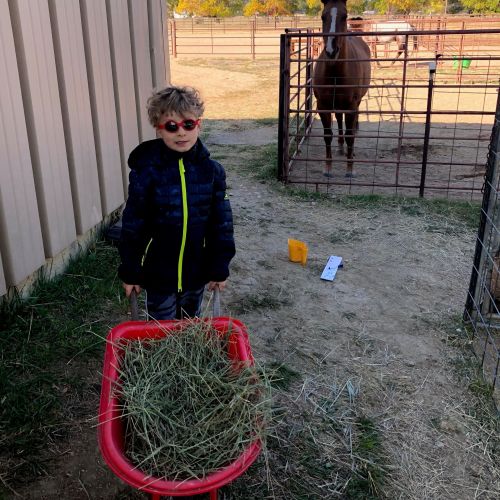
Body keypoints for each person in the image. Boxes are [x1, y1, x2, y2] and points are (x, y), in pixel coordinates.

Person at [118, 85, 235, 320]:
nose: (181, 133)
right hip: (159, 274)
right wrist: (131, 270)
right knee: (161, 330)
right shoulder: (147, 172)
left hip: (196, 271)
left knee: (191, 327)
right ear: (159, 129)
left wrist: (219, 266)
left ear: (198, 124)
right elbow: (133, 224)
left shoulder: (211, 172)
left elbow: (221, 224)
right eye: (172, 126)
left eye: (188, 124)